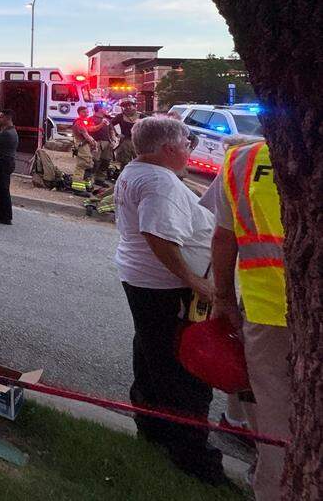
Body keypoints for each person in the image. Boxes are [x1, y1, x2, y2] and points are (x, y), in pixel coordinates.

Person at [112, 116, 225, 485]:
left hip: (145, 281)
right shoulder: (160, 183)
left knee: (151, 354)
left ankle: (152, 428)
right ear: (168, 148)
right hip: (165, 287)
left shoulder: (140, 170)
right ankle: (192, 456)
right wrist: (193, 279)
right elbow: (157, 235)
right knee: (181, 370)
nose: (190, 150)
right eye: (187, 144)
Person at [203, 138, 288, 501]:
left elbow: (223, 238)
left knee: (275, 414)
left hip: (266, 310)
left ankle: (274, 488)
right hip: (272, 310)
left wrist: (222, 298)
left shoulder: (243, 160)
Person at [70, 106, 97, 195]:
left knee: (88, 164)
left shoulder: (84, 122)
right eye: (84, 112)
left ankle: (87, 186)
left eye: (87, 112)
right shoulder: (79, 123)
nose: (86, 114)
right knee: (82, 165)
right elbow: (86, 135)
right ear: (79, 113)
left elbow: (91, 130)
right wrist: (93, 143)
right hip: (82, 145)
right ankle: (78, 189)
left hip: (85, 146)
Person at [113, 99, 140, 171]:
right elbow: (110, 124)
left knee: (140, 161)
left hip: (139, 141)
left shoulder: (141, 116)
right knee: (125, 162)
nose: (127, 107)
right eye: (125, 106)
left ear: (134, 106)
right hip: (126, 141)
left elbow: (149, 124)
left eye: (129, 105)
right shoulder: (120, 117)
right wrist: (117, 134)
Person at [92, 104, 116, 181]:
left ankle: (100, 179)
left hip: (107, 143)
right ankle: (90, 178)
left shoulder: (107, 120)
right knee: (95, 161)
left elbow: (111, 130)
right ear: (99, 109)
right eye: (104, 108)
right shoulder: (91, 119)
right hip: (96, 143)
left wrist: (113, 140)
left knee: (106, 161)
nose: (106, 109)